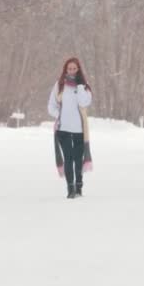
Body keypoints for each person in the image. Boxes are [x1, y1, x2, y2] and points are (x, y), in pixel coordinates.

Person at [48, 57, 93, 199]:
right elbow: (51, 106)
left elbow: (84, 102)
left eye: (74, 68)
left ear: (78, 69)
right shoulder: (60, 85)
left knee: (78, 159)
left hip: (80, 129)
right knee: (68, 158)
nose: (71, 71)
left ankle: (79, 186)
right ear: (65, 69)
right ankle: (70, 189)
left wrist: (79, 86)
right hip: (64, 129)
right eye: (69, 68)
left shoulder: (84, 86)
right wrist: (59, 115)